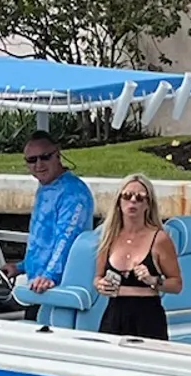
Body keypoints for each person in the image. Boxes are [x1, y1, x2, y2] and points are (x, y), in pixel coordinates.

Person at [93, 174, 182, 341]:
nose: (133, 201)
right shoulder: (108, 237)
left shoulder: (160, 239)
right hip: (114, 314)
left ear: (148, 204)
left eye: (140, 198)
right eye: (127, 196)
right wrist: (101, 285)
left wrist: (154, 280)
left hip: (147, 316)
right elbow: (97, 277)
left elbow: (177, 284)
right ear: (119, 202)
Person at [17, 133, 93, 296]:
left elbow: (66, 238)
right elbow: (42, 242)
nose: (39, 164)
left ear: (57, 154)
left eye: (45, 157)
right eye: (32, 160)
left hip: (57, 288)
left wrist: (49, 276)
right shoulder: (46, 187)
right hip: (36, 283)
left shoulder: (73, 193)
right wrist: (20, 267)